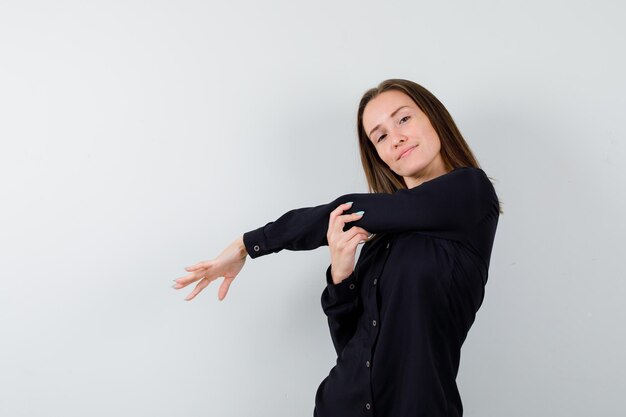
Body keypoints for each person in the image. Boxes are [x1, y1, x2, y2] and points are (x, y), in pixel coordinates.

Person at [172, 79, 502, 417]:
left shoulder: (471, 192)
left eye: (403, 119)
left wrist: (247, 244)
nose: (396, 138)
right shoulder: (378, 240)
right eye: (381, 136)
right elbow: (353, 347)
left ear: (434, 117)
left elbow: (347, 208)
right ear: (380, 156)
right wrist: (341, 275)